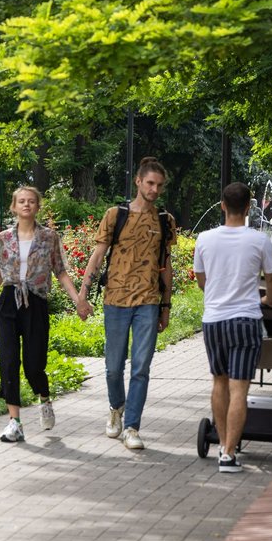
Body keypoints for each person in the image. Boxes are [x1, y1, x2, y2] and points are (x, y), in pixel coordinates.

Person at [76, 157, 176, 450]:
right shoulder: (115, 215)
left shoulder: (163, 220)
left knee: (141, 367)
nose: (155, 189)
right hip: (115, 300)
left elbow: (165, 266)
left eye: (159, 185)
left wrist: (166, 305)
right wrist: (83, 293)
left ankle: (132, 426)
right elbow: (97, 256)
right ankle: (115, 407)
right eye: (150, 183)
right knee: (112, 367)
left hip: (148, 301)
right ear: (138, 182)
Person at [0, 186, 87, 442]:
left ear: (38, 206)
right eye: (21, 201)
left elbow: (60, 272)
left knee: (33, 365)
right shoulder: (3, 239)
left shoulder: (49, 237)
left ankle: (44, 396)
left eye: (31, 201)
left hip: (36, 303)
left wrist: (78, 301)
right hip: (8, 302)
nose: (26, 205)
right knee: (7, 362)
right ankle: (14, 422)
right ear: (14, 207)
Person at [193, 182, 272, 473]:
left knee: (219, 382)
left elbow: (202, 280)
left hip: (214, 320)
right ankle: (229, 453)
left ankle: (222, 444)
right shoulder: (259, 241)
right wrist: (266, 299)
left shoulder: (204, 239)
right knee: (239, 388)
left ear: (221, 206)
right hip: (246, 320)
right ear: (248, 208)